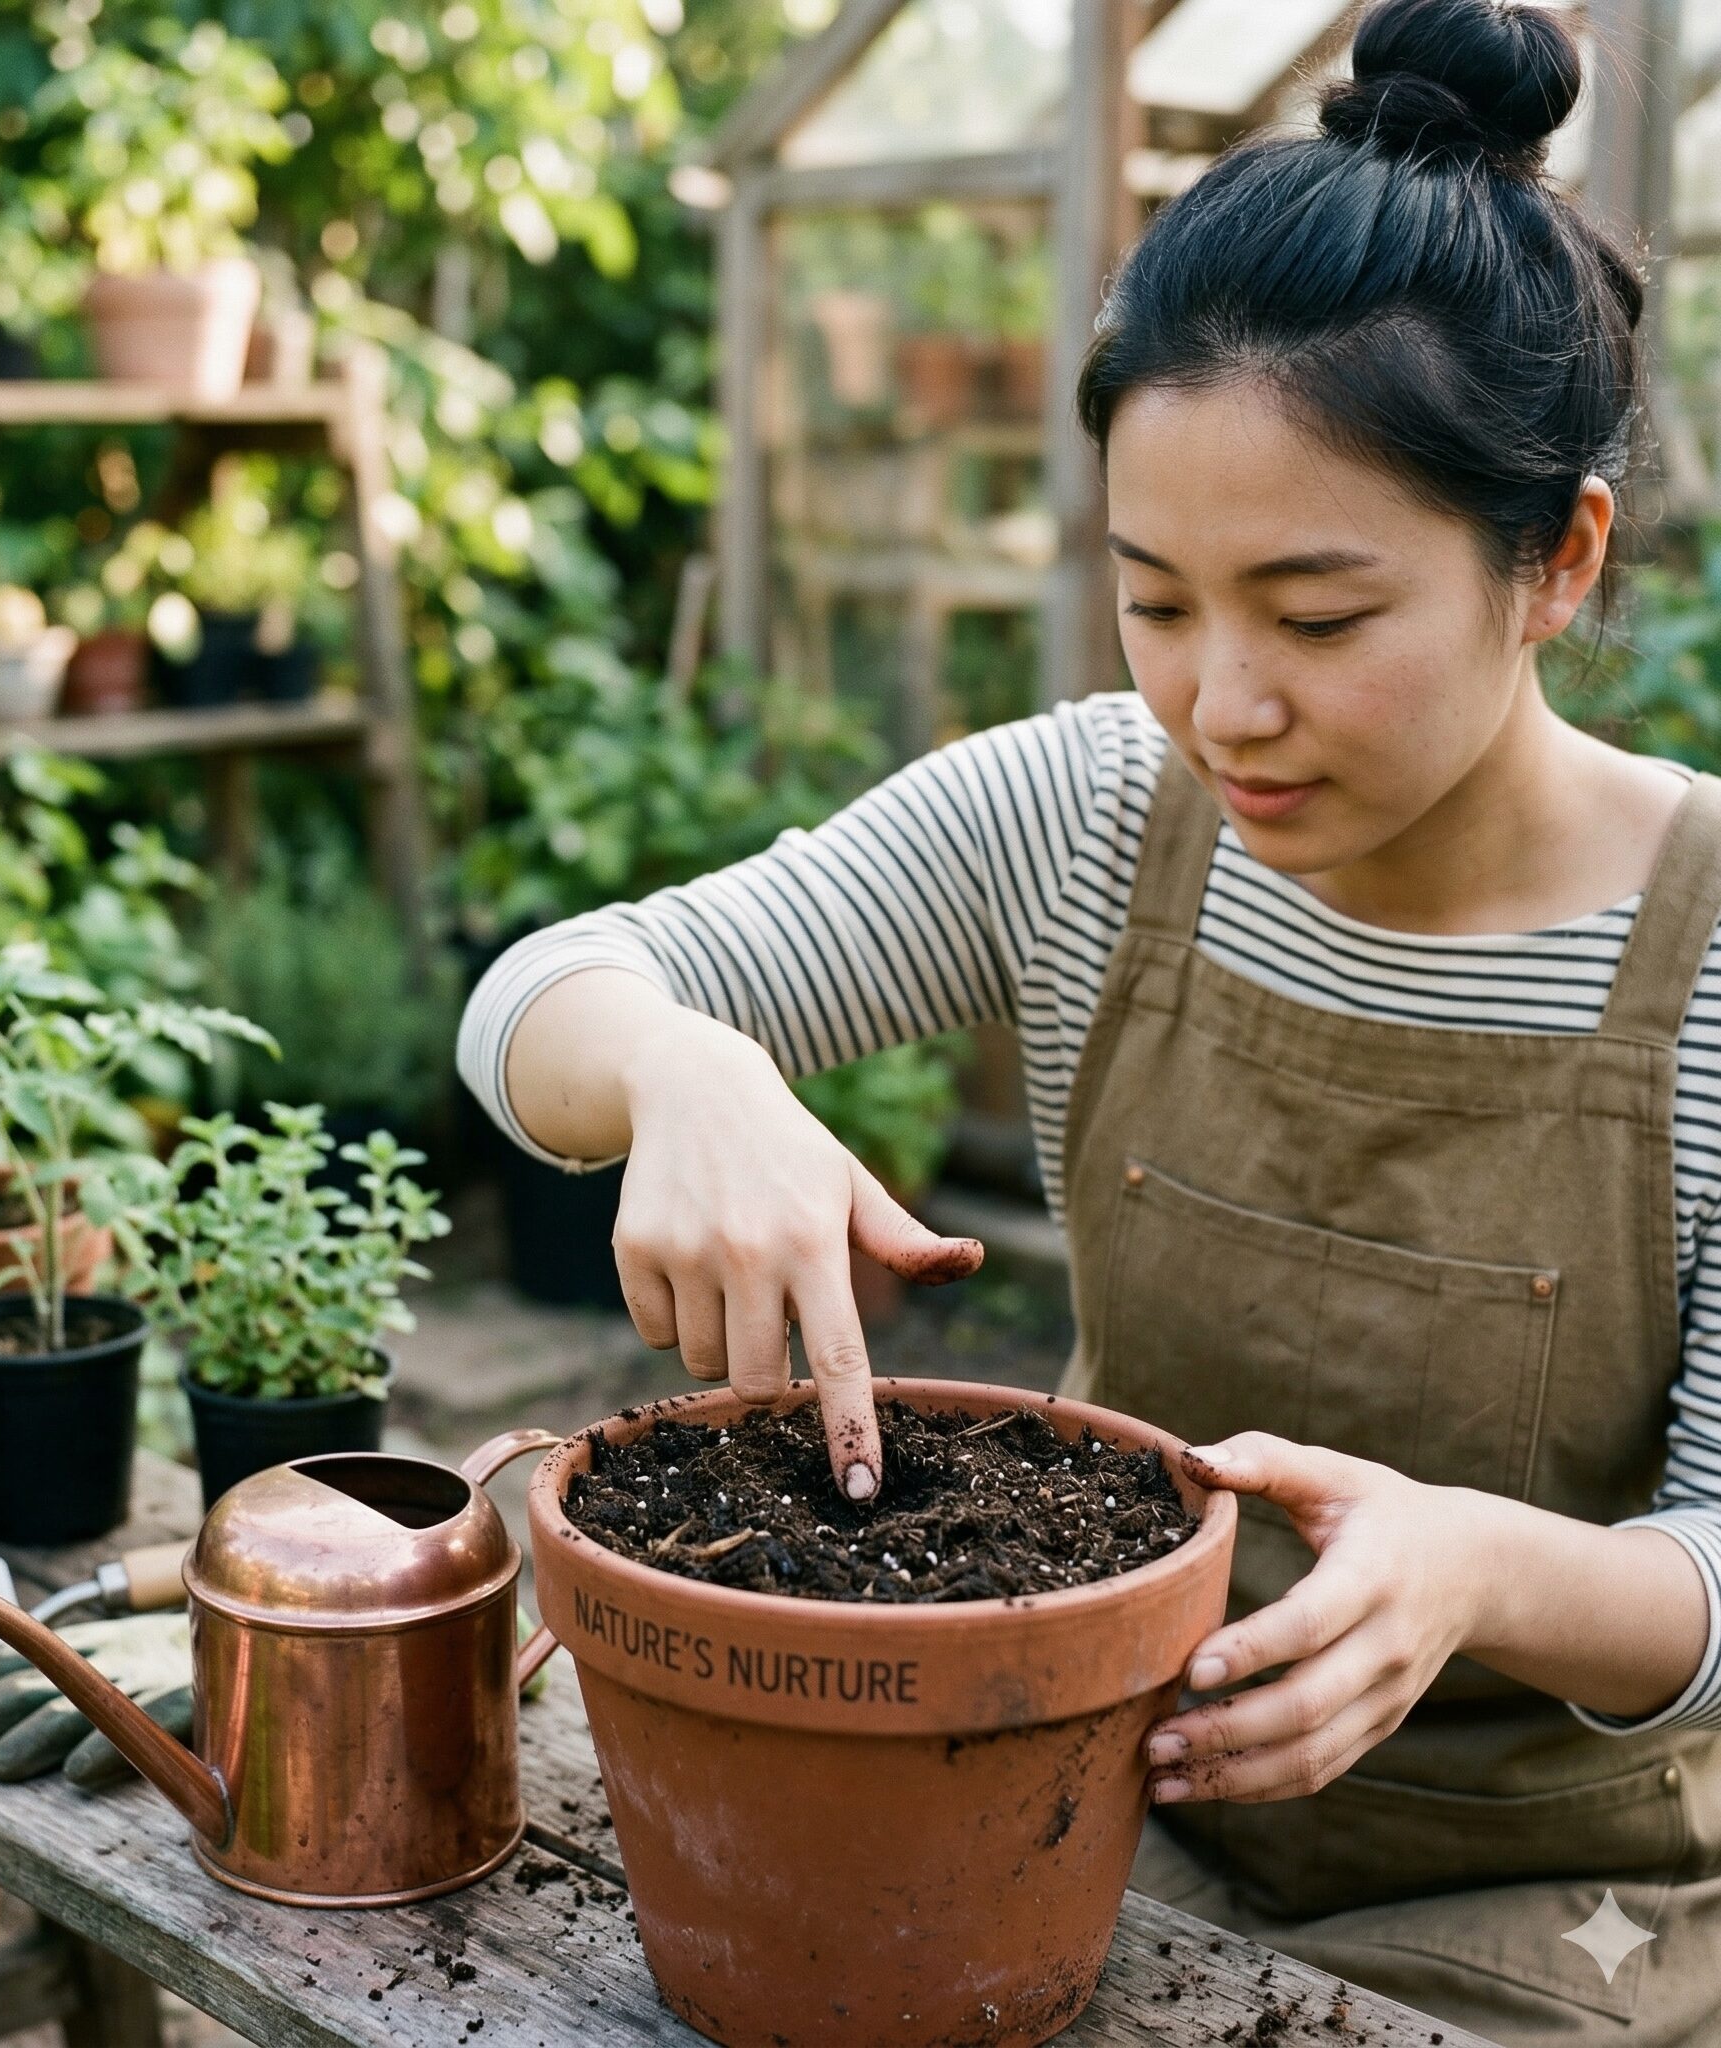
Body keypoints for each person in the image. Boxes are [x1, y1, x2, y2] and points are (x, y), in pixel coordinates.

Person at [457, 0, 1721, 2037]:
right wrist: (686, 1068)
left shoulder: (1708, 950)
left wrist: (1482, 1568)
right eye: (1155, 598)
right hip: (1082, 1797)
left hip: (1537, 1899)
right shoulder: (1080, 820)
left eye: (1317, 617)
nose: (1221, 700)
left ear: (1554, 559)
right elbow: (538, 998)